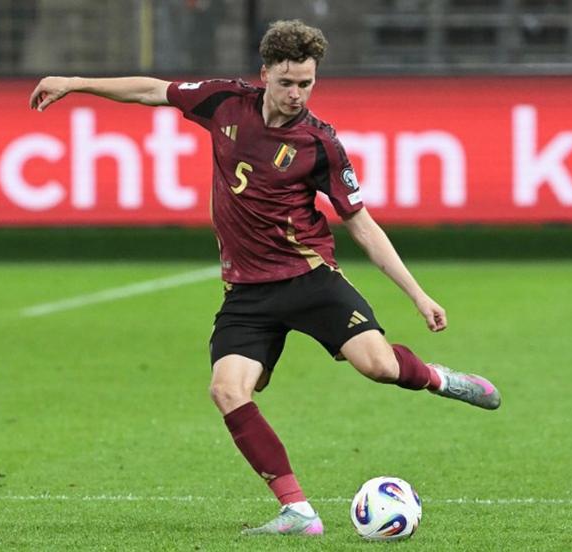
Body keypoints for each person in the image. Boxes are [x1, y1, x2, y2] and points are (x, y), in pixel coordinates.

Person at [29, 19, 501, 537]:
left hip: (309, 279)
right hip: (246, 293)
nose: (297, 94)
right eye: (287, 82)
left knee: (379, 367)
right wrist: (74, 82)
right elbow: (151, 90)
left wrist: (418, 294)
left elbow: (360, 224)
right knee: (227, 390)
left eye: (306, 84)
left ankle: (438, 378)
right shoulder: (223, 102)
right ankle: (298, 512)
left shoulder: (320, 144)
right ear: (265, 75)